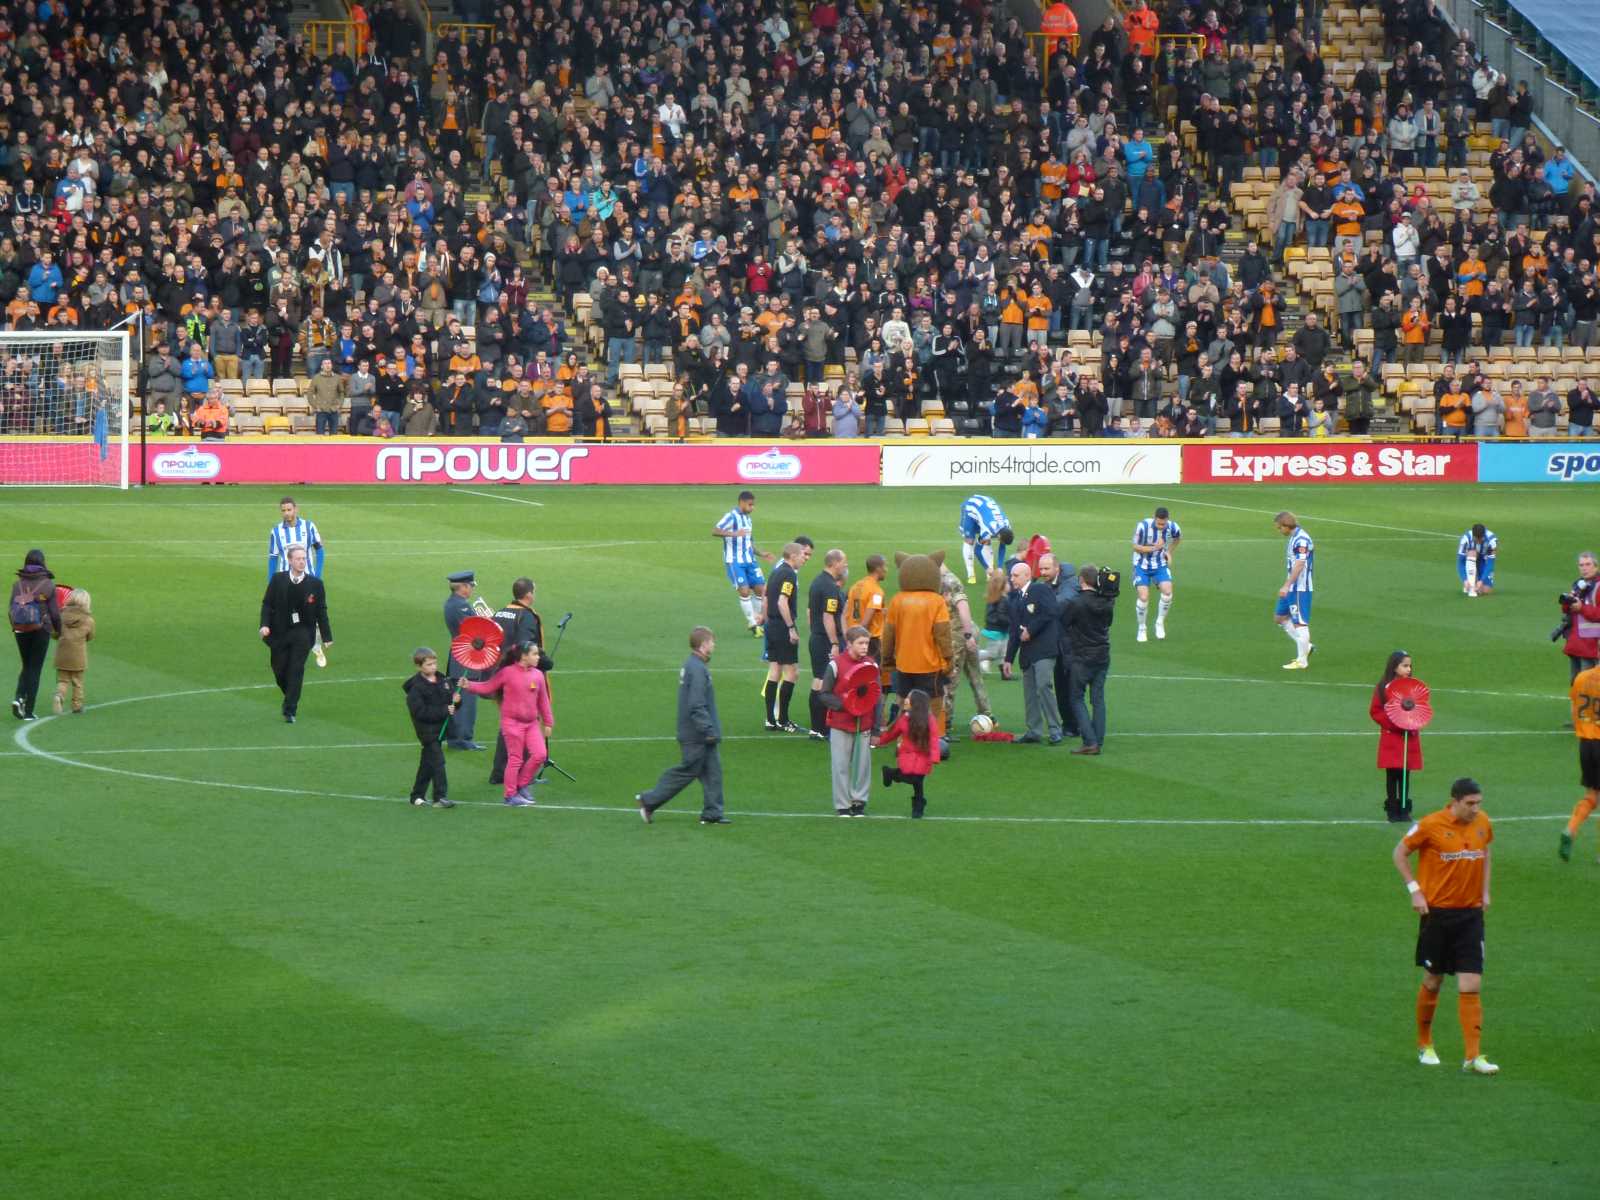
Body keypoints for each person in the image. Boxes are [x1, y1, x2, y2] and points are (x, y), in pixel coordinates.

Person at [1392, 778, 1498, 1075]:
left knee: (1471, 983)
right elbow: (1399, 853)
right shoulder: (1430, 825)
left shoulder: (1483, 823)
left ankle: (1473, 1056)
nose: (1476, 809)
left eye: (1479, 803)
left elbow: (1486, 852)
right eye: (1470, 804)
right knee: (1433, 980)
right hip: (1437, 915)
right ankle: (1424, 1043)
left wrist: (1485, 890)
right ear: (1454, 801)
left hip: (1471, 916)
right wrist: (1414, 889)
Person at [637, 626, 729, 824]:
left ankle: (713, 813)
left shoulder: (694, 665)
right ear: (704, 645)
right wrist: (708, 729)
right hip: (696, 734)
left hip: (698, 732)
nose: (714, 644)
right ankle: (649, 800)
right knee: (688, 770)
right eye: (712, 641)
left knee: (713, 771)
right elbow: (696, 704)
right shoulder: (696, 669)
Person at [464, 641, 553, 807]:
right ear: (524, 656)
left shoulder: (538, 675)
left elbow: (543, 701)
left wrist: (548, 722)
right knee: (515, 759)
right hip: (512, 724)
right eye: (534, 654)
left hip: (532, 724)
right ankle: (510, 795)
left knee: (540, 755)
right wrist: (469, 685)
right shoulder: (507, 673)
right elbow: (487, 687)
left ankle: (522, 784)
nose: (538, 657)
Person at [487, 578, 552, 788]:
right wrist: (543, 660)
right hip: (520, 677)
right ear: (529, 594)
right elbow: (525, 646)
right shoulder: (526, 616)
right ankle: (524, 774)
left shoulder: (500, 612)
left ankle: (499, 772)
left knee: (508, 723)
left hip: (501, 674)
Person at [258, 544, 332, 724]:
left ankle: (290, 709)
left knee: (296, 669)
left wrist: (326, 636)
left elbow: (321, 611)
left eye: (304, 558)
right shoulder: (277, 580)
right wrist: (264, 625)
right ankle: (291, 694)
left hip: (303, 633)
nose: (301, 562)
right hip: (279, 632)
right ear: (289, 560)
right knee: (279, 669)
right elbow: (267, 604)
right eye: (298, 559)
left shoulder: (316, 584)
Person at [817, 625, 877, 816]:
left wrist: (875, 726)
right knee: (840, 765)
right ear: (849, 644)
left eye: (867, 643)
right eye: (860, 643)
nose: (864, 647)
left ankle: (859, 801)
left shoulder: (872, 665)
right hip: (841, 724)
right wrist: (848, 705)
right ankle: (843, 804)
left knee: (862, 766)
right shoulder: (835, 665)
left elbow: (876, 696)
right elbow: (824, 694)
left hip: (863, 724)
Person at [1004, 560, 1063, 744]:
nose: (1012, 579)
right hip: (1027, 653)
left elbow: (1051, 612)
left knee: (1044, 686)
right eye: (1011, 575)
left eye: (1015, 575)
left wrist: (1031, 629)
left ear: (1027, 575)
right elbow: (1014, 631)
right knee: (1029, 692)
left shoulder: (1040, 590)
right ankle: (1034, 730)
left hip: (1044, 649)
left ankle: (1055, 729)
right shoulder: (1015, 598)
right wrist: (1008, 659)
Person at [1063, 563, 1116, 755]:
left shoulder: (1076, 603)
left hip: (1082, 656)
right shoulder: (1107, 602)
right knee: (1098, 699)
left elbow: (1064, 623)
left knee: (1076, 698)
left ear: (1081, 580)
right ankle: (1098, 740)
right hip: (1102, 655)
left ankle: (1090, 741)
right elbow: (1108, 623)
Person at [268, 498, 327, 667]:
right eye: (283, 510)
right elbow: (273, 558)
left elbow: (320, 551)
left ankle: (316, 647)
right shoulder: (276, 531)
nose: (286, 513)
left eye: (289, 509)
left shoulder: (309, 527)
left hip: (308, 581)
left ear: (296, 509)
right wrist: (271, 581)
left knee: (313, 614)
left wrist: (318, 575)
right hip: (286, 582)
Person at [1371, 651, 1425, 823]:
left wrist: (1413, 721)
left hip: (1408, 736)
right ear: (1394, 667)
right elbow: (1376, 711)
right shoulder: (1383, 687)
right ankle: (1392, 810)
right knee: (1392, 773)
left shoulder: (1413, 687)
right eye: (1404, 665)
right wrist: (1394, 724)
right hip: (1392, 737)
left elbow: (1421, 707)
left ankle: (1404, 809)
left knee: (1405, 773)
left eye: (1410, 666)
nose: (1408, 669)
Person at [940, 560, 994, 733]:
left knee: (950, 679)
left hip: (958, 636)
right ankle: (986, 713)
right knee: (975, 674)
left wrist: (967, 634)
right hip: (966, 633)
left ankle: (946, 721)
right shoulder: (950, 579)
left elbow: (963, 606)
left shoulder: (949, 582)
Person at [714, 490, 775, 636]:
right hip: (734, 561)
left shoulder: (748, 520)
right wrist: (734, 534)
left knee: (761, 589)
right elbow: (715, 530)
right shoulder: (731, 516)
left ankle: (758, 620)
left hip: (750, 560)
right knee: (744, 591)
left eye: (753, 505)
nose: (752, 507)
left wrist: (761, 553)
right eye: (750, 504)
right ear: (741, 502)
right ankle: (753, 624)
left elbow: (749, 541)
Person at [9, 549, 61, 722]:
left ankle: (18, 698)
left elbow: (11, 610)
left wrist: (15, 628)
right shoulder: (48, 584)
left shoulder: (17, 585)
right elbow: (54, 613)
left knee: (27, 665)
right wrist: (58, 630)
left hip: (20, 629)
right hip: (40, 629)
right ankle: (29, 710)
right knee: (34, 668)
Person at [762, 542, 808, 732]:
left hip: (771, 625)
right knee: (792, 673)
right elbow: (782, 602)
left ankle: (770, 720)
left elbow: (766, 596)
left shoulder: (776, 570)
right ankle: (783, 719)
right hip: (782, 626)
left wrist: (765, 621)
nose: (804, 559)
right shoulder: (789, 573)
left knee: (775, 672)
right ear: (793, 555)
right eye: (802, 555)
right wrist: (790, 627)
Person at [403, 648, 457, 809]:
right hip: (427, 731)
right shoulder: (416, 688)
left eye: (434, 663)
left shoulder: (443, 680)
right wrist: (444, 710)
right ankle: (440, 797)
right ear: (419, 667)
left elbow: (450, 701)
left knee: (427, 763)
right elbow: (420, 712)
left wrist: (456, 701)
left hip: (441, 728)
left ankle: (417, 795)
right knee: (438, 762)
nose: (433, 667)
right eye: (429, 664)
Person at [1558, 659, 1600, 862]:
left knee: (1592, 795)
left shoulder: (1582, 677)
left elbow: (1575, 707)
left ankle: (1571, 828)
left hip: (1586, 744)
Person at [806, 548, 849, 740]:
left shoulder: (818, 581)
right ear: (835, 563)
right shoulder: (830, 587)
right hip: (825, 639)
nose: (846, 565)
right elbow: (828, 616)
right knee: (824, 683)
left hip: (817, 637)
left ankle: (817, 728)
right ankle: (822, 728)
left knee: (818, 681)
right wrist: (834, 642)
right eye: (844, 562)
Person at [875, 688, 937, 818]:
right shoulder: (904, 718)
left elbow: (933, 738)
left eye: (909, 698)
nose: (906, 700)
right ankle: (892, 774)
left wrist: (934, 756)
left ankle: (918, 807)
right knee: (913, 778)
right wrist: (880, 741)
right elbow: (893, 733)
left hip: (923, 755)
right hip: (907, 755)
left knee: (918, 781)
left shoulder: (929, 719)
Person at [442, 570, 484, 749]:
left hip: (458, 656)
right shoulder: (462, 607)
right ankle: (462, 739)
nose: (472, 590)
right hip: (466, 657)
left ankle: (457, 737)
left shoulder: (451, 603)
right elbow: (475, 633)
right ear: (464, 587)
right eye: (470, 586)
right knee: (466, 701)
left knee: (459, 698)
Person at [1131, 506, 1182, 642]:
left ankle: (1159, 622)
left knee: (1168, 591)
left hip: (1159, 564)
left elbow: (1177, 539)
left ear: (1167, 520)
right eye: (1159, 523)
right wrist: (1154, 548)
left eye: (1163, 524)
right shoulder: (1142, 526)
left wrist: (1168, 552)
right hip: (1141, 565)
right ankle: (1142, 628)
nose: (1161, 526)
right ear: (1154, 518)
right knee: (1143, 597)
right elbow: (1135, 546)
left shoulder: (1173, 527)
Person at [1274, 512, 1315, 670]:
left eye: (1279, 528)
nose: (1279, 531)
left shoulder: (1302, 540)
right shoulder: (1294, 537)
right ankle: (1307, 647)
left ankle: (1302, 661)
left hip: (1299, 588)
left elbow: (1300, 564)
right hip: (1292, 587)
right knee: (1280, 617)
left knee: (1300, 624)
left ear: (1286, 525)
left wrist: (1287, 585)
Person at [1557, 551, 1600, 690]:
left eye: (1588, 564)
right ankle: (1578, 712)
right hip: (1576, 643)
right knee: (1575, 683)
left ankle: (1589, 712)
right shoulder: (1578, 585)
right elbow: (1566, 610)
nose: (1584, 568)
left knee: (1587, 685)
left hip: (1591, 645)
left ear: (1596, 566)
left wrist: (1581, 608)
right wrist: (1567, 602)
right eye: (1581, 565)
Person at [51, 588, 93, 715]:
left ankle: (59, 696)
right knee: (77, 682)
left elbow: (54, 634)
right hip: (78, 656)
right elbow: (90, 636)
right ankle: (77, 706)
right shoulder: (88, 620)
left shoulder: (61, 616)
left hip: (62, 655)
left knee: (62, 681)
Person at [958, 493, 1014, 584]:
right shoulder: (988, 531)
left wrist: (999, 567)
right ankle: (971, 574)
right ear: (999, 536)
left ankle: (990, 574)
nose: (1000, 541)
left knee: (987, 541)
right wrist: (986, 567)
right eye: (1000, 540)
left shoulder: (1007, 527)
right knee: (970, 541)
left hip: (985, 510)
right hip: (971, 509)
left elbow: (1002, 546)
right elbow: (977, 550)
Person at [844, 553, 888, 663]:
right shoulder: (877, 592)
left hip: (852, 637)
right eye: (885, 566)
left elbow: (845, 613)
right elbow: (867, 619)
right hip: (869, 640)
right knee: (872, 675)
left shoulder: (855, 586)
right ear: (878, 569)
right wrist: (862, 639)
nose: (886, 570)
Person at [1457, 524, 1497, 597]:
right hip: (1470, 558)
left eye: (1481, 539)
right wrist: (1464, 580)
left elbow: (1490, 563)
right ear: (1473, 535)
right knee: (1472, 552)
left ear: (1484, 535)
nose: (1478, 542)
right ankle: (1471, 586)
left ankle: (1476, 582)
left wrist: (1481, 580)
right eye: (1476, 539)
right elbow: (1460, 562)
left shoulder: (1492, 540)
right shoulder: (1465, 539)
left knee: (1486, 590)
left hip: (1483, 560)